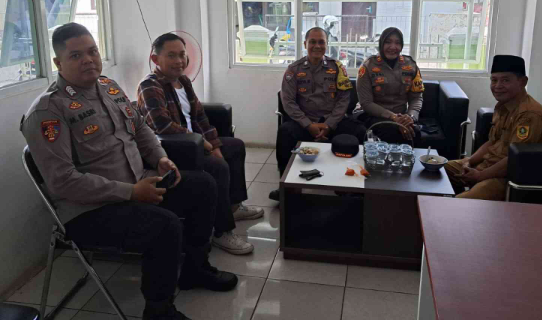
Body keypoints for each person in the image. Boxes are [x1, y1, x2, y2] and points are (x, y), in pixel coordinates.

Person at [21, 24, 238, 320]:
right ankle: (159, 311)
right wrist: (131, 192)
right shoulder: (48, 111)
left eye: (92, 51)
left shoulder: (108, 87)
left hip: (139, 183)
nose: (88, 60)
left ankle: (195, 270)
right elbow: (62, 182)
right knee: (164, 226)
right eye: (76, 55)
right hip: (91, 210)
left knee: (203, 186)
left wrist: (160, 158)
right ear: (58, 63)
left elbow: (140, 128)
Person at [137, 33, 263, 255]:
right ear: (155, 59)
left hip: (195, 143)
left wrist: (214, 143)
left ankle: (233, 206)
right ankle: (222, 231)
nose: (179, 61)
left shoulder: (183, 81)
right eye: (171, 56)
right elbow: (162, 126)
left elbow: (199, 116)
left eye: (182, 55)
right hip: (173, 149)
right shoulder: (150, 86)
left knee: (235, 146)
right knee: (218, 167)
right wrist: (202, 142)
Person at [271, 27, 366, 201]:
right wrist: (308, 125)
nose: (317, 46)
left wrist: (329, 125)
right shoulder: (294, 69)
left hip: (332, 122)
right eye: (312, 42)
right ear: (305, 44)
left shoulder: (337, 68)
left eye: (321, 42)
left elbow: (344, 99)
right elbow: (288, 102)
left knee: (359, 131)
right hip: (305, 123)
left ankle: (350, 186)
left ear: (327, 45)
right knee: (284, 132)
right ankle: (287, 187)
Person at [444, 55, 542, 200]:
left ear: (523, 82)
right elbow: (492, 142)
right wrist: (469, 161)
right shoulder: (503, 106)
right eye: (494, 80)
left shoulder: (529, 114)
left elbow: (515, 159)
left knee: (460, 203)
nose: (497, 86)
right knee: (439, 170)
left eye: (505, 80)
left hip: (507, 176)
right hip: (487, 165)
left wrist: (480, 176)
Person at [356, 27, 424, 144]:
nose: (393, 47)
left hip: (401, 117)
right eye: (388, 42)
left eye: (397, 43)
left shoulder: (411, 66)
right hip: (372, 115)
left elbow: (416, 97)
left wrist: (410, 117)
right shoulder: (368, 66)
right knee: (391, 131)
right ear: (381, 44)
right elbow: (366, 103)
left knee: (414, 131)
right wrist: (393, 117)